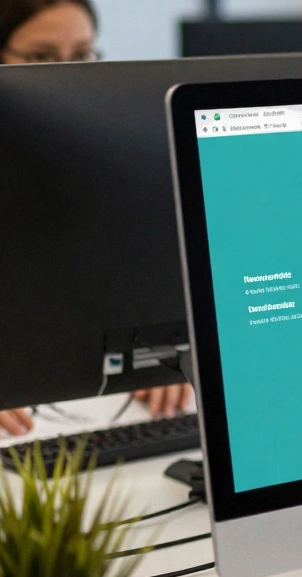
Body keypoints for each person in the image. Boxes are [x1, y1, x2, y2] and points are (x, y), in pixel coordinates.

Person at [0, 0, 192, 436]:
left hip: (83, 412)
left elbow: (130, 291)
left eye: (82, 54)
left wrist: (159, 357)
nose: (67, 74)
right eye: (41, 56)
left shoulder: (104, 165)